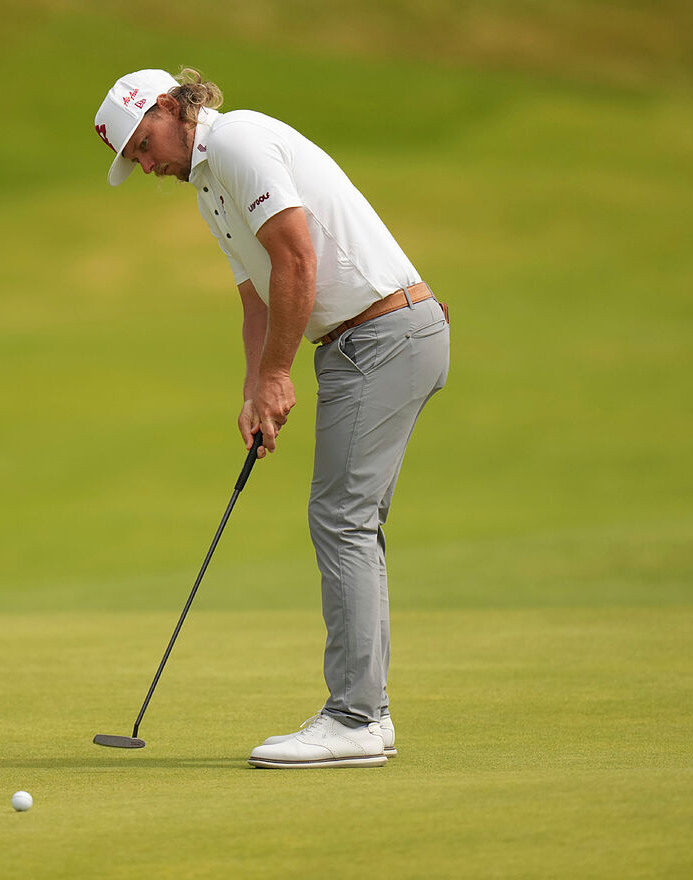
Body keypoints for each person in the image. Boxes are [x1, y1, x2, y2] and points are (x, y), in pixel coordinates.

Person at [94, 68, 450, 768]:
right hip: (366, 342)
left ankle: (352, 718)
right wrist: (258, 389)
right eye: (133, 158)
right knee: (353, 522)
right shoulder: (208, 187)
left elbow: (296, 260)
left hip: (383, 334)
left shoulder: (240, 141)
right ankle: (368, 716)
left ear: (170, 107)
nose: (144, 163)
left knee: (340, 519)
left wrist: (281, 374)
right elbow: (258, 298)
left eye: (141, 145)